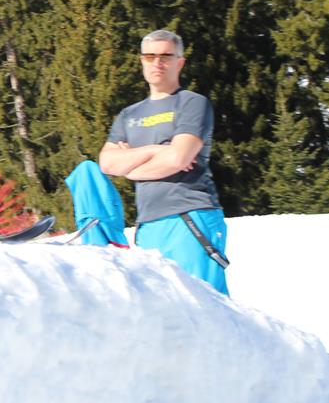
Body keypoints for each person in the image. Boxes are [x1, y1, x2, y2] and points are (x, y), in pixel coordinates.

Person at [98, 30, 231, 294]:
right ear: (142, 61)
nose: (157, 62)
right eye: (150, 56)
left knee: (203, 303)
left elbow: (178, 157)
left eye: (166, 56)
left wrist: (131, 168)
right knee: (164, 306)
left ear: (179, 62)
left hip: (189, 217)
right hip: (148, 224)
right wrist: (156, 149)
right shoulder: (128, 115)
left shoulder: (192, 103)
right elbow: (108, 164)